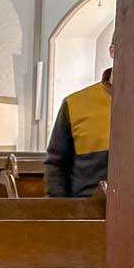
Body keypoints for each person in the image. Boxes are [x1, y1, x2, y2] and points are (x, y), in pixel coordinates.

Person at [44, 39, 114, 197]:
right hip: (86, 205)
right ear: (112, 51)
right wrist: (60, 208)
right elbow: (57, 163)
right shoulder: (75, 103)